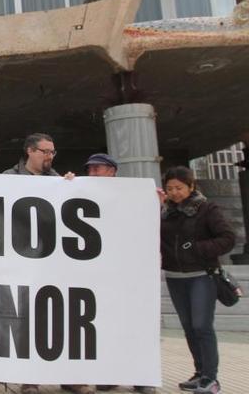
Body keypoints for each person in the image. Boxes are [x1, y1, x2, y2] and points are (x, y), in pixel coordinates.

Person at [3, 134, 88, 394]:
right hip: (25, 262)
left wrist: (73, 187)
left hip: (56, 263)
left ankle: (70, 376)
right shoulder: (7, 178)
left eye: (53, 152)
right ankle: (31, 378)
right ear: (30, 151)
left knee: (64, 319)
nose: (50, 156)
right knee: (30, 320)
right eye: (45, 151)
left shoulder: (58, 181)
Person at [83, 154, 156, 394]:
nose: (93, 174)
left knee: (133, 325)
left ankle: (141, 377)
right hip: (98, 275)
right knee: (104, 326)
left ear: (112, 171)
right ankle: (110, 373)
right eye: (90, 170)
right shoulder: (82, 194)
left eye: (98, 169)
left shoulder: (131, 195)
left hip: (129, 273)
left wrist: (156, 204)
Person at [160, 166, 234, 394]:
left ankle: (211, 378)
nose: (174, 193)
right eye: (170, 188)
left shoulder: (206, 208)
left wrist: (198, 248)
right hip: (175, 276)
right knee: (189, 328)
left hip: (202, 275)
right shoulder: (165, 211)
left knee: (202, 326)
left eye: (179, 188)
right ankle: (200, 372)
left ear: (191, 187)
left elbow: (228, 238)